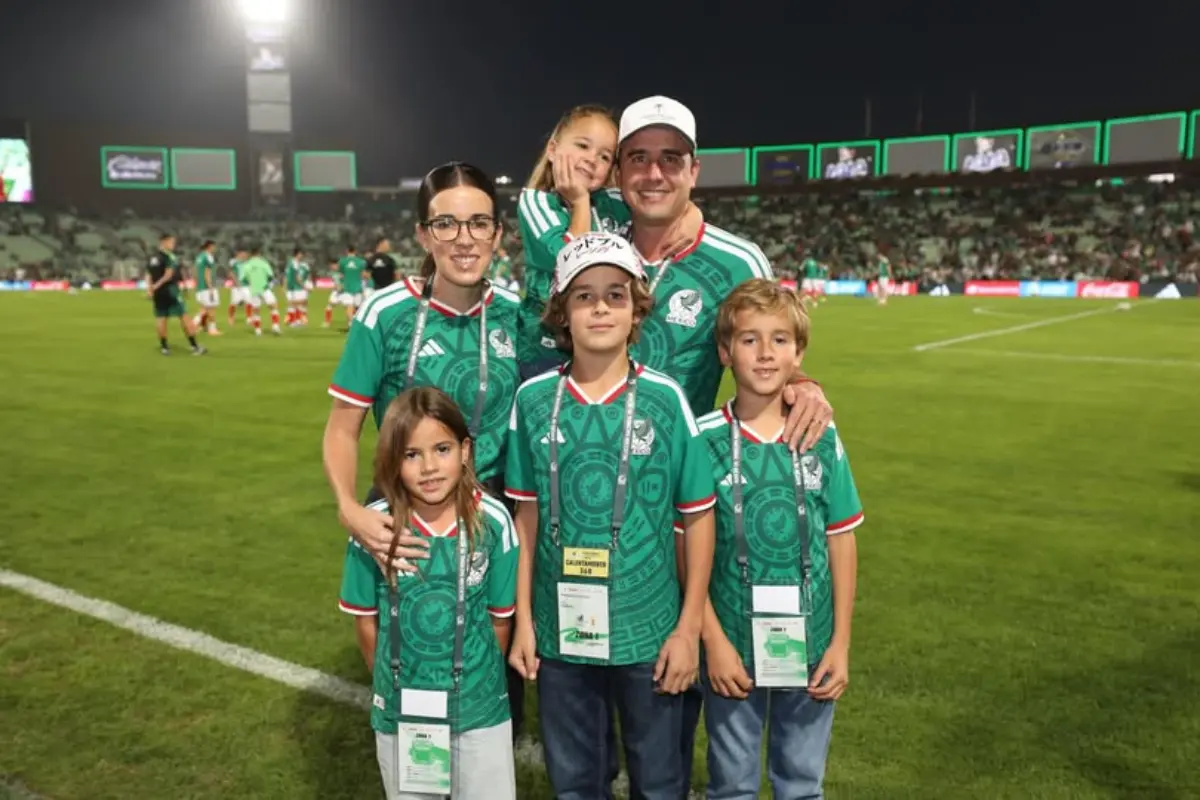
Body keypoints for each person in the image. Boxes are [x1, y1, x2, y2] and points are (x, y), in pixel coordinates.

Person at [614, 94, 835, 793]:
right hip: (597, 517)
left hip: (690, 511)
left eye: (670, 158)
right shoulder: (596, 254)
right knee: (619, 732)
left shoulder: (738, 257)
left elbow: (771, 341)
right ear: (618, 170)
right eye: (639, 157)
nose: (654, 173)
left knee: (680, 712)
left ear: (694, 169)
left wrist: (808, 385)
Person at [506, 232, 717, 800]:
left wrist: (688, 628)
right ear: (562, 314)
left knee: (659, 781)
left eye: (616, 295)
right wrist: (525, 621)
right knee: (575, 783)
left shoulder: (668, 400)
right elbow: (525, 521)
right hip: (559, 630)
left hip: (649, 631)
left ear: (637, 309)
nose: (600, 307)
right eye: (584, 296)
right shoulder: (531, 402)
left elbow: (697, 519)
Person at [323, 161, 525, 739]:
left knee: (491, 706)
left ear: (496, 233)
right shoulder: (384, 314)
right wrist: (348, 507)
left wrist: (798, 382)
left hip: (492, 531)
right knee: (410, 691)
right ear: (422, 235)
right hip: (405, 530)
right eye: (446, 224)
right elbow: (343, 426)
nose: (464, 238)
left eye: (478, 223)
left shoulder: (519, 317)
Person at [698, 279, 862, 799]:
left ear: (800, 354)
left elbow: (841, 539)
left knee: (801, 784)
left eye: (780, 340)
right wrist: (714, 643)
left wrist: (840, 641)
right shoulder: (702, 441)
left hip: (810, 646)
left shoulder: (820, 436)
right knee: (732, 786)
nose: (765, 353)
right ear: (726, 352)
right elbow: (687, 554)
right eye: (749, 340)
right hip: (732, 650)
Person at [339, 386, 518, 800]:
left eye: (442, 449)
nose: (430, 467)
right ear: (393, 462)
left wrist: (474, 680)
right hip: (405, 714)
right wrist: (394, 682)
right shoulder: (375, 529)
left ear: (466, 451)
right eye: (411, 455)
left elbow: (498, 621)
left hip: (479, 713)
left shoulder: (493, 522)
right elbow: (366, 622)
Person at [516, 103, 627, 380]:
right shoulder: (536, 202)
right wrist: (579, 202)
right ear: (552, 149)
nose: (592, 159)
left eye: (604, 156)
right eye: (582, 146)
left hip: (602, 343)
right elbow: (570, 261)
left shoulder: (614, 203)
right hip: (546, 350)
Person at [145, 233, 206, 356]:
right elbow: (168, 275)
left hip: (158, 293)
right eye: (171, 242)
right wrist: (157, 285)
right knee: (184, 316)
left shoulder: (153, 258)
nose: (173, 245)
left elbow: (148, 275)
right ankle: (194, 346)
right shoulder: (169, 257)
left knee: (161, 317)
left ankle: (164, 348)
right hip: (170, 290)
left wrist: (150, 289)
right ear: (164, 242)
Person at [241, 246, 282, 336]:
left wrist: (252, 281)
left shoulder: (247, 265)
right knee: (273, 306)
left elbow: (243, 278)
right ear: (258, 254)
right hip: (264, 288)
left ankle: (258, 330)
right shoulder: (263, 263)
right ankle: (275, 326)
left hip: (254, 289)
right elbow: (270, 275)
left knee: (256, 310)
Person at [191, 239, 222, 335]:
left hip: (200, 287)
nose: (214, 249)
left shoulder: (199, 257)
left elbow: (195, 271)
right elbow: (207, 272)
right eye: (214, 246)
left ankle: (194, 326)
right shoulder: (208, 256)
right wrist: (210, 287)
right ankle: (212, 330)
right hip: (207, 287)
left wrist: (196, 284)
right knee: (211, 308)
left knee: (203, 309)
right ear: (210, 246)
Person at [338, 244, 369, 319]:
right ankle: (354, 323)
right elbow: (364, 275)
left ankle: (351, 323)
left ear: (347, 251)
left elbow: (341, 275)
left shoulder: (342, 261)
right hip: (358, 287)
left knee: (349, 306)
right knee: (356, 307)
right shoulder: (361, 262)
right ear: (355, 251)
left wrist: (340, 284)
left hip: (347, 287)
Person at [284, 247, 312, 326]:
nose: (302, 256)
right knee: (297, 303)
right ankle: (294, 320)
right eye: (301, 254)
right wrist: (305, 286)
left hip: (294, 287)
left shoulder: (294, 263)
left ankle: (294, 319)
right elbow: (297, 277)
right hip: (294, 287)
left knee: (298, 303)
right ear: (297, 254)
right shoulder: (294, 263)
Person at [227, 247, 251, 326]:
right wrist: (236, 282)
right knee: (234, 303)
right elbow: (231, 273)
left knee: (249, 301)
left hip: (247, 285)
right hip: (237, 287)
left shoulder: (247, 263)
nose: (246, 255)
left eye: (246, 254)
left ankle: (249, 318)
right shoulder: (234, 262)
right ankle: (231, 317)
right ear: (239, 254)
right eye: (244, 254)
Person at [324, 256, 343, 328]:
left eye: (331, 265)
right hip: (336, 291)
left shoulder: (342, 271)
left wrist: (342, 286)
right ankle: (327, 322)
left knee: (349, 306)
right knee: (329, 305)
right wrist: (335, 286)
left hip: (344, 291)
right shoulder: (332, 273)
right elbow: (335, 282)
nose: (330, 267)